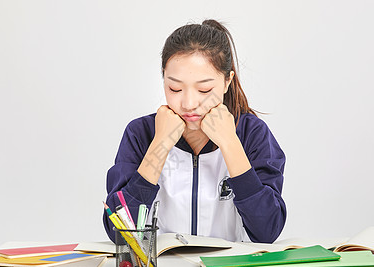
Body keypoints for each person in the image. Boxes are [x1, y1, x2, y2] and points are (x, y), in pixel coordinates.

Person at [103, 19, 286, 244]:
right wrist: (160, 144)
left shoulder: (252, 133)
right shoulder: (140, 133)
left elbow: (267, 231)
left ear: (227, 81)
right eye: (175, 88)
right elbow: (118, 233)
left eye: (204, 89)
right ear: (163, 78)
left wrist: (230, 143)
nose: (189, 103)